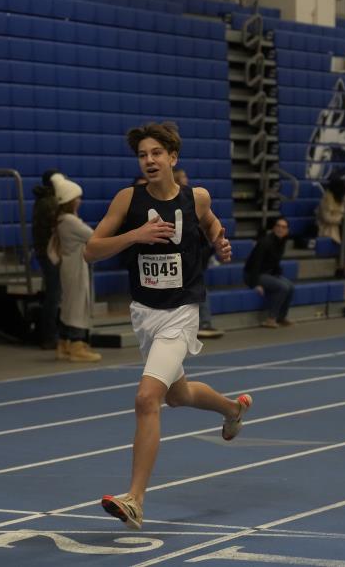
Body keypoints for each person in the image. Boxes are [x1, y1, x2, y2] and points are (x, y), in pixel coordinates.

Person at [83, 122, 245, 531]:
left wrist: (220, 241)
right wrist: (134, 235)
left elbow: (210, 222)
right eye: (143, 155)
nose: (149, 160)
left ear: (173, 157)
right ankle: (232, 409)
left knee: (146, 398)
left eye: (156, 153)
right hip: (145, 312)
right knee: (177, 394)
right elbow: (90, 251)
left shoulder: (196, 197)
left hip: (181, 310)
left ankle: (135, 499)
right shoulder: (127, 200)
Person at [49, 174, 101, 363]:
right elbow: (93, 236)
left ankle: (63, 344)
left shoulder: (62, 220)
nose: (79, 201)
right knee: (77, 305)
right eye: (77, 198)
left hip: (69, 266)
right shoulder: (70, 221)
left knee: (69, 305)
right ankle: (77, 345)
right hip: (75, 267)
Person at [175, 169, 222, 338]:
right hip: (182, 256)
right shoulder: (176, 203)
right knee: (195, 290)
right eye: (183, 177)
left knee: (198, 289)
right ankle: (201, 323)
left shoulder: (194, 199)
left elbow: (210, 223)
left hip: (195, 254)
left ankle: (203, 323)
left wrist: (216, 242)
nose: (187, 179)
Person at [32, 169, 63, 351]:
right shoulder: (50, 202)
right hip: (49, 253)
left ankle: (50, 334)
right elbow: (58, 223)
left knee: (52, 294)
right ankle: (49, 336)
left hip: (45, 251)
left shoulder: (43, 200)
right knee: (53, 295)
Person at [244, 218, 294, 328]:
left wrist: (277, 274)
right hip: (254, 275)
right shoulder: (265, 242)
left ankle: (281, 317)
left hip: (268, 274)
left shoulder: (281, 242)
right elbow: (254, 264)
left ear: (287, 231)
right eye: (278, 226)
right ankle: (271, 319)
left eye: (283, 227)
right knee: (283, 287)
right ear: (274, 228)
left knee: (290, 286)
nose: (280, 229)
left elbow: (274, 262)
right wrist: (255, 284)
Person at [316, 177, 345, 245]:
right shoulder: (326, 200)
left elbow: (343, 212)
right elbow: (326, 218)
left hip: (341, 224)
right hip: (328, 226)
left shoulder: (342, 199)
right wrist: (341, 219)